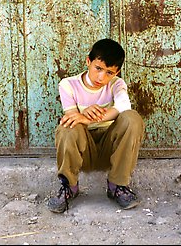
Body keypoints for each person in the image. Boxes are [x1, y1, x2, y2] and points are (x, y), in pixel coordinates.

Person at [47, 38, 145, 213]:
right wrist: (83, 115)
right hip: (84, 153)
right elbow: (72, 118)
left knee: (132, 118)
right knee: (67, 126)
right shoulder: (68, 85)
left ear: (117, 72)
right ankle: (69, 186)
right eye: (98, 68)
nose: (102, 77)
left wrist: (93, 118)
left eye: (109, 72)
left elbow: (124, 106)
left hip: (111, 151)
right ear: (88, 61)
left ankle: (117, 186)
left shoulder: (117, 84)